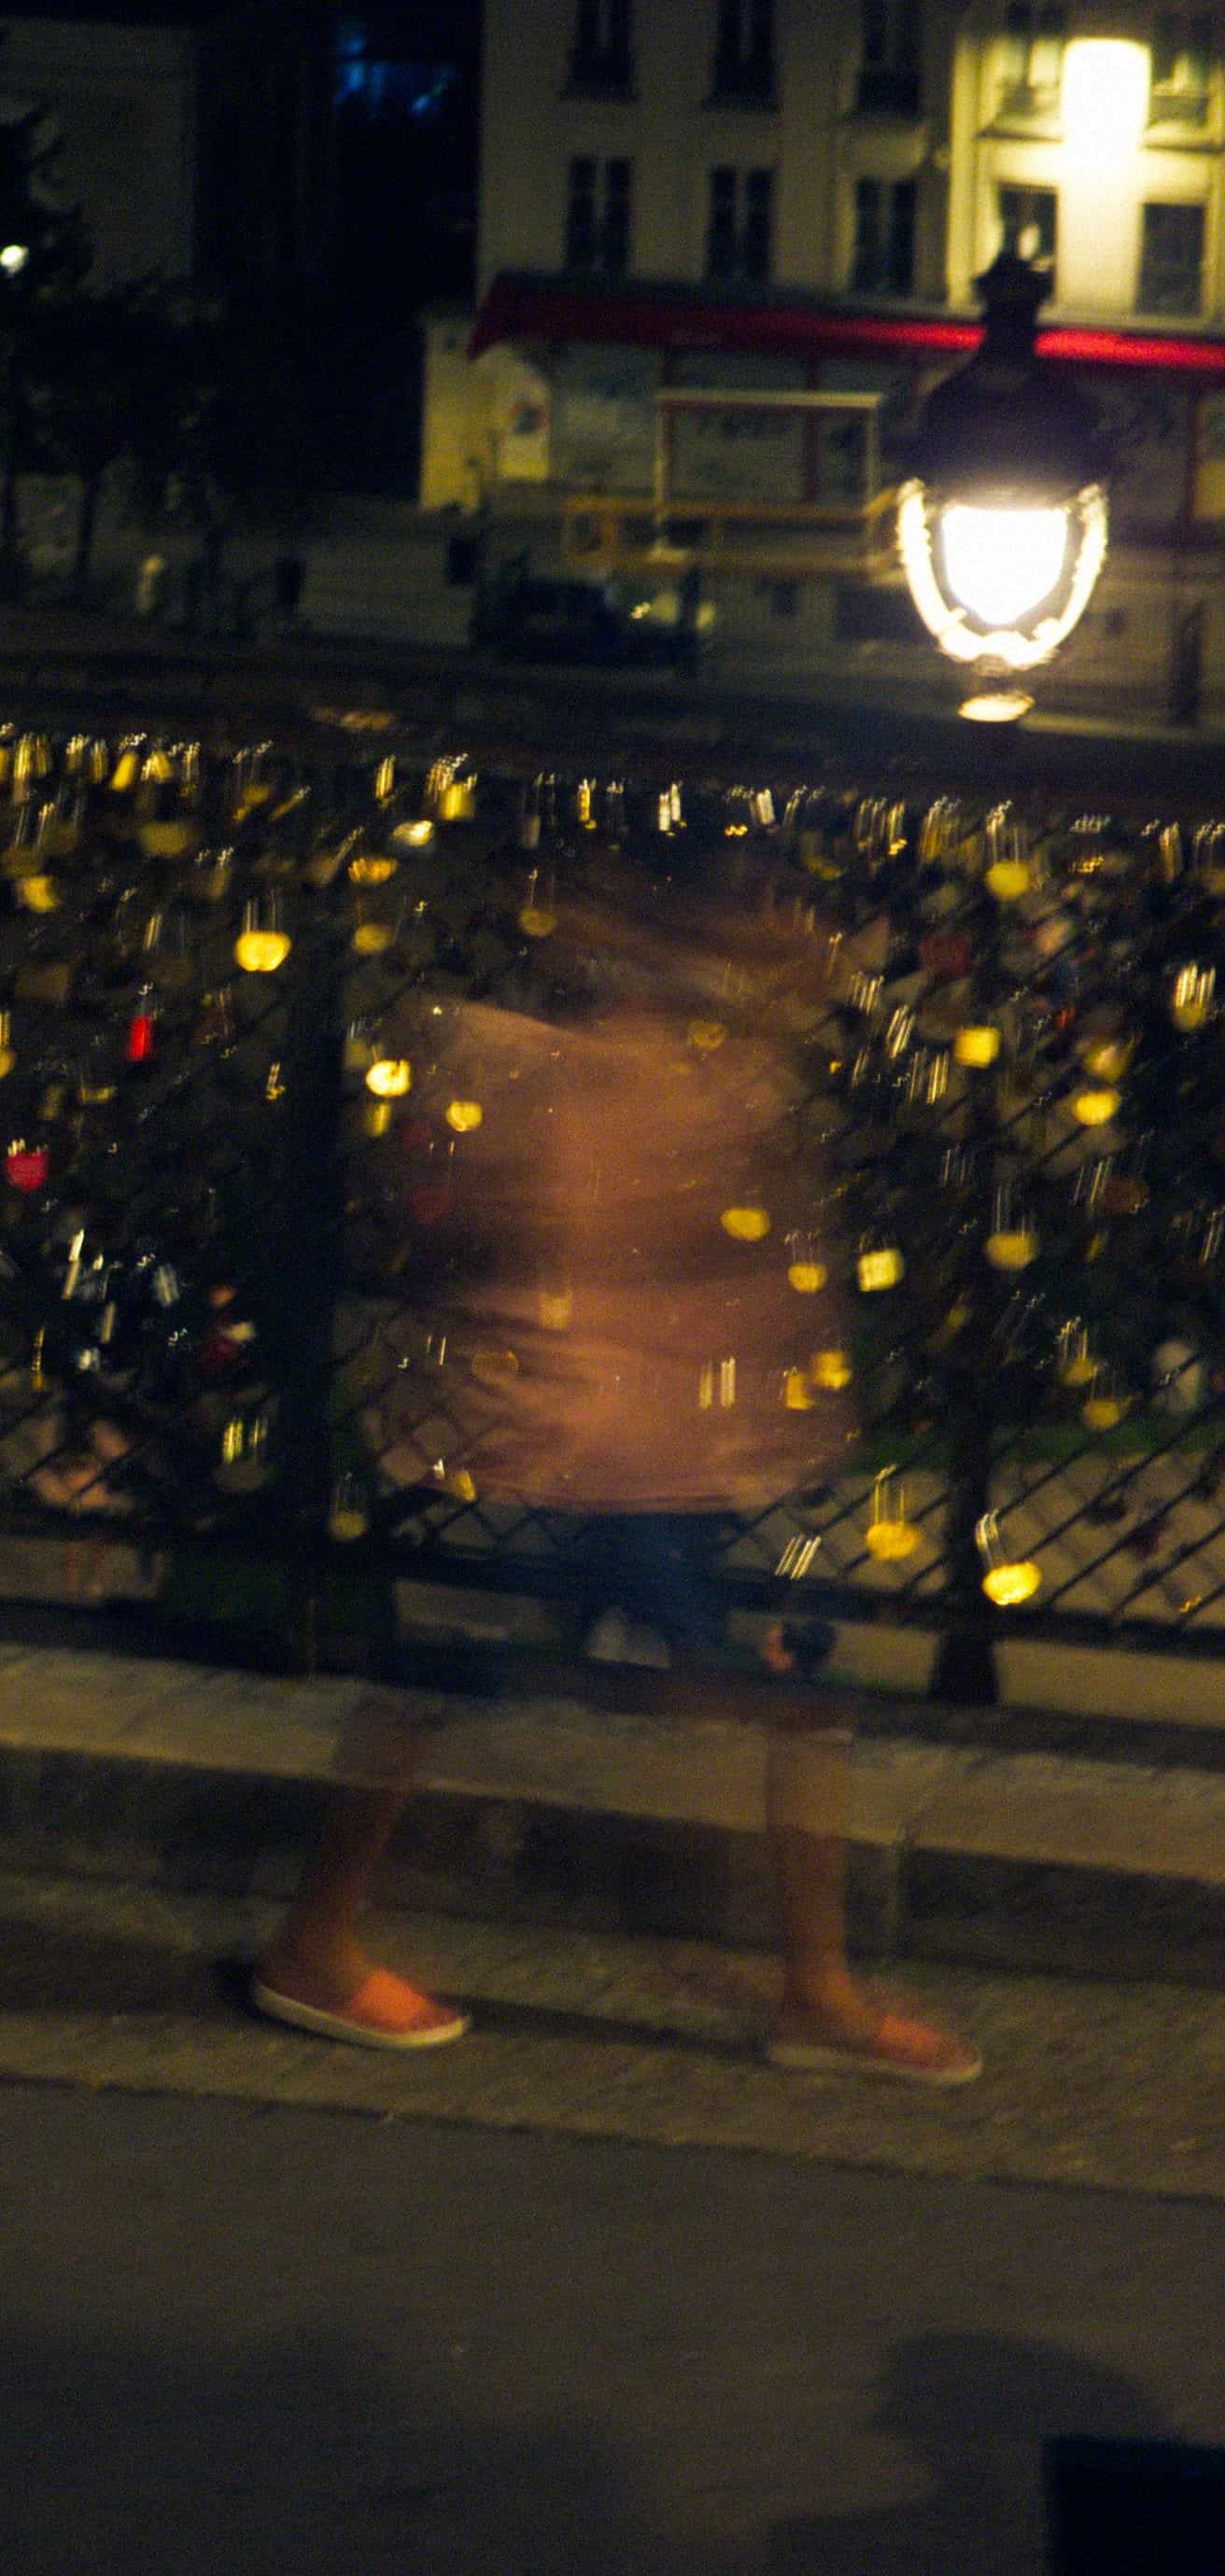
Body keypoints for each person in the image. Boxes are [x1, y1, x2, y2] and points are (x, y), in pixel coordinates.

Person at [252, 856, 980, 2085]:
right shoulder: (549, 1064)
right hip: (566, 1439)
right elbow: (535, 1225)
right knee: (469, 1686)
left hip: (625, 1449)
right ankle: (318, 1945)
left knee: (756, 1698)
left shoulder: (668, 1069)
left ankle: (815, 1990)